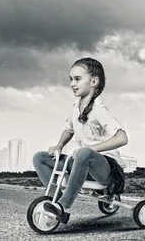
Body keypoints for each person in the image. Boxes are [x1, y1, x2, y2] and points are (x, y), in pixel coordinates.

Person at [32, 57, 128, 223]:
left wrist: (92, 150)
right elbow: (68, 129)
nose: (72, 84)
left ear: (93, 81)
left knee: (84, 153)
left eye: (77, 79)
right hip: (81, 164)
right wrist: (59, 145)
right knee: (40, 158)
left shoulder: (99, 109)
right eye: (71, 79)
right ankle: (55, 198)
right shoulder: (76, 108)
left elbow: (122, 138)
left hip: (105, 170)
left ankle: (64, 206)